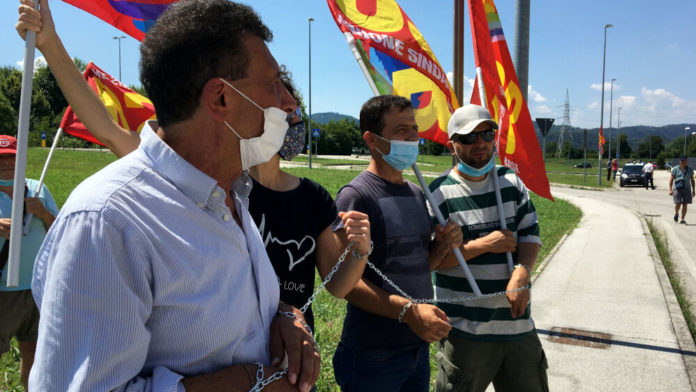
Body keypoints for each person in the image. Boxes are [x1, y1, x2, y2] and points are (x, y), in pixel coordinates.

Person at [17, 0, 372, 339]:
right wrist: (50, 46)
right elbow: (108, 131)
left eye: (293, 112)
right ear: (224, 102)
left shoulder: (281, 196)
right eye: (277, 97)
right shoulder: (204, 183)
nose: (291, 112)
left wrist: (351, 256)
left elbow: (330, 287)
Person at [331, 95, 463, 392]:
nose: (413, 137)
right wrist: (409, 312)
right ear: (372, 140)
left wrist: (441, 246)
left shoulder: (417, 193)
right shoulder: (356, 196)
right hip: (372, 353)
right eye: (402, 130)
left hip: (415, 346)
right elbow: (346, 285)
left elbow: (418, 265)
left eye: (414, 129)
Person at [428, 104, 547, 392]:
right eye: (468, 138)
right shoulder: (438, 193)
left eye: (486, 134)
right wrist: (486, 244)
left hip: (518, 328)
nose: (479, 143)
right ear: (453, 145)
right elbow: (432, 261)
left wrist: (522, 270)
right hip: (465, 332)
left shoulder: (510, 182)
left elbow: (530, 235)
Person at [0, 135, 58, 390]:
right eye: (1, 158)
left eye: (12, 156)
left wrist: (44, 214)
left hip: (36, 287)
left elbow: (61, 231)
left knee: (34, 355)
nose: (7, 162)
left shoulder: (38, 187)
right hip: (2, 291)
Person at [669, 156, 695, 224]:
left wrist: (693, 190)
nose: (683, 162)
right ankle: (676, 213)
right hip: (677, 188)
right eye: (682, 161)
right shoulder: (675, 169)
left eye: (685, 161)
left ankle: (682, 219)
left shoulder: (690, 169)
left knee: (685, 204)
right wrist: (670, 190)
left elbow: (692, 180)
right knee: (678, 203)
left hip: (687, 188)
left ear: (687, 161)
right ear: (680, 161)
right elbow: (671, 180)